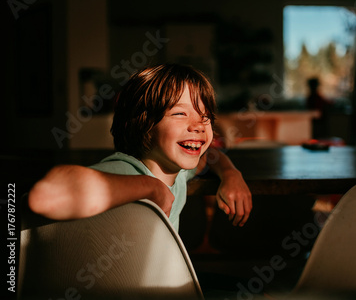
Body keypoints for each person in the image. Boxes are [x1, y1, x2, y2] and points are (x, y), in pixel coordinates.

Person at [28, 64, 252, 231]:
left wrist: (231, 174)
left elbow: (210, 156)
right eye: (180, 113)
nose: (198, 126)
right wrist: (150, 187)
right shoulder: (128, 171)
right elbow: (45, 196)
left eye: (206, 117)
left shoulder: (177, 172)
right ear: (144, 124)